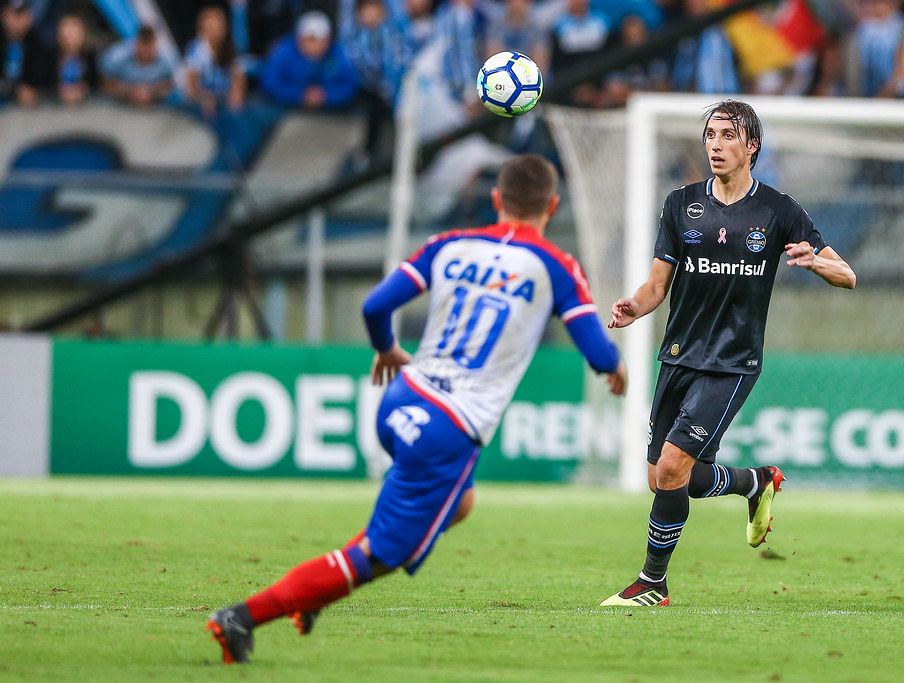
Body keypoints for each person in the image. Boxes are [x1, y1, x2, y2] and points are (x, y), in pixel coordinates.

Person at [206, 154, 629, 664]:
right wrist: (615, 368)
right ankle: (243, 616)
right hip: (447, 427)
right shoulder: (557, 267)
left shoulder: (449, 245)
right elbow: (599, 351)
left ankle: (317, 588)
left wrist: (386, 347)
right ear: (552, 205)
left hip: (403, 397)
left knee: (461, 503)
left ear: (496, 200)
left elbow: (374, 305)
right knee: (380, 554)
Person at [601, 100, 856, 608]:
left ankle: (652, 584)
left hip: (732, 362)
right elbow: (657, 285)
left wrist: (812, 263)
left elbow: (847, 275)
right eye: (710, 135)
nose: (715, 145)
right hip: (679, 354)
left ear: (751, 146)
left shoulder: (780, 211)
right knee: (670, 478)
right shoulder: (681, 203)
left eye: (727, 136)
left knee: (671, 469)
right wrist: (635, 306)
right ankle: (754, 482)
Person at [260, 10, 359, 109]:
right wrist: (300, 95)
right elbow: (270, 83)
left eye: (322, 40)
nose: (317, 46)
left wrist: (326, 95)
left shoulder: (338, 53)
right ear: (299, 39)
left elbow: (350, 84)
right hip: (287, 108)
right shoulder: (283, 52)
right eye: (311, 39)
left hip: (330, 112)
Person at [183, 4, 246, 117]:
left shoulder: (231, 47)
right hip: (204, 101)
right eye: (210, 29)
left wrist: (237, 96)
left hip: (224, 97)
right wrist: (204, 98)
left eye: (218, 28)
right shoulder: (196, 50)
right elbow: (192, 85)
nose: (215, 32)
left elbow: (239, 77)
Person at [100, 25, 175, 106]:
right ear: (137, 44)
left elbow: (169, 84)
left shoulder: (167, 59)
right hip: (118, 104)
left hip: (154, 106)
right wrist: (129, 92)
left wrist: (152, 92)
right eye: (144, 47)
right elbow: (104, 82)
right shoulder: (117, 57)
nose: (146, 52)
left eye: (150, 48)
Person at [54, 13, 97, 106]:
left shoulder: (91, 57)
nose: (69, 39)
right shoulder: (50, 57)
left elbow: (96, 83)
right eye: (67, 34)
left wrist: (83, 89)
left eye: (73, 33)